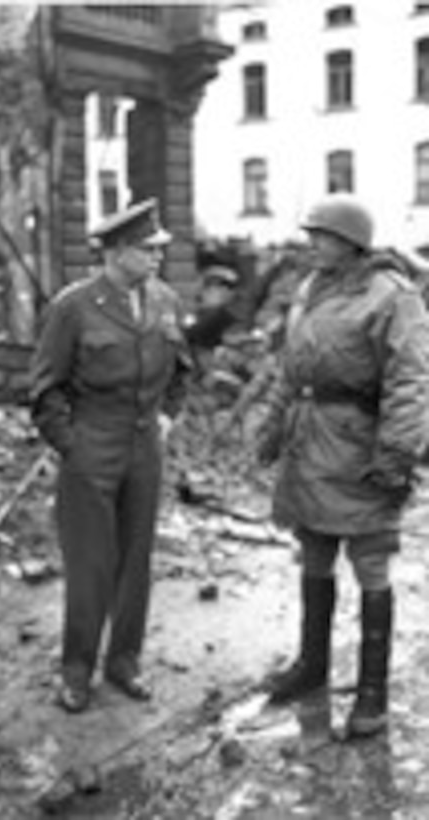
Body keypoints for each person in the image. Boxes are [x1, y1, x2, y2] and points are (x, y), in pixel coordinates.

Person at [256, 193, 429, 738]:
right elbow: (291, 370)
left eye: (321, 236)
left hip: (361, 444)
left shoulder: (392, 297)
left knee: (372, 560)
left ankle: (372, 695)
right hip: (310, 442)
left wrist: (398, 454)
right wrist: (271, 428)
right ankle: (312, 668)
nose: (311, 245)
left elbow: (411, 380)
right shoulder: (309, 290)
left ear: (351, 243)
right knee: (313, 550)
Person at [30, 198, 191, 713]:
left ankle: (124, 660)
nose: (157, 258)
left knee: (136, 559)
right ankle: (77, 669)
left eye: (159, 249)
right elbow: (44, 389)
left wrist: (168, 416)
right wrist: (72, 445)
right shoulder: (72, 307)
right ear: (117, 252)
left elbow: (183, 369)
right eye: (148, 249)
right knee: (90, 563)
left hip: (145, 446)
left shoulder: (164, 300)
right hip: (91, 444)